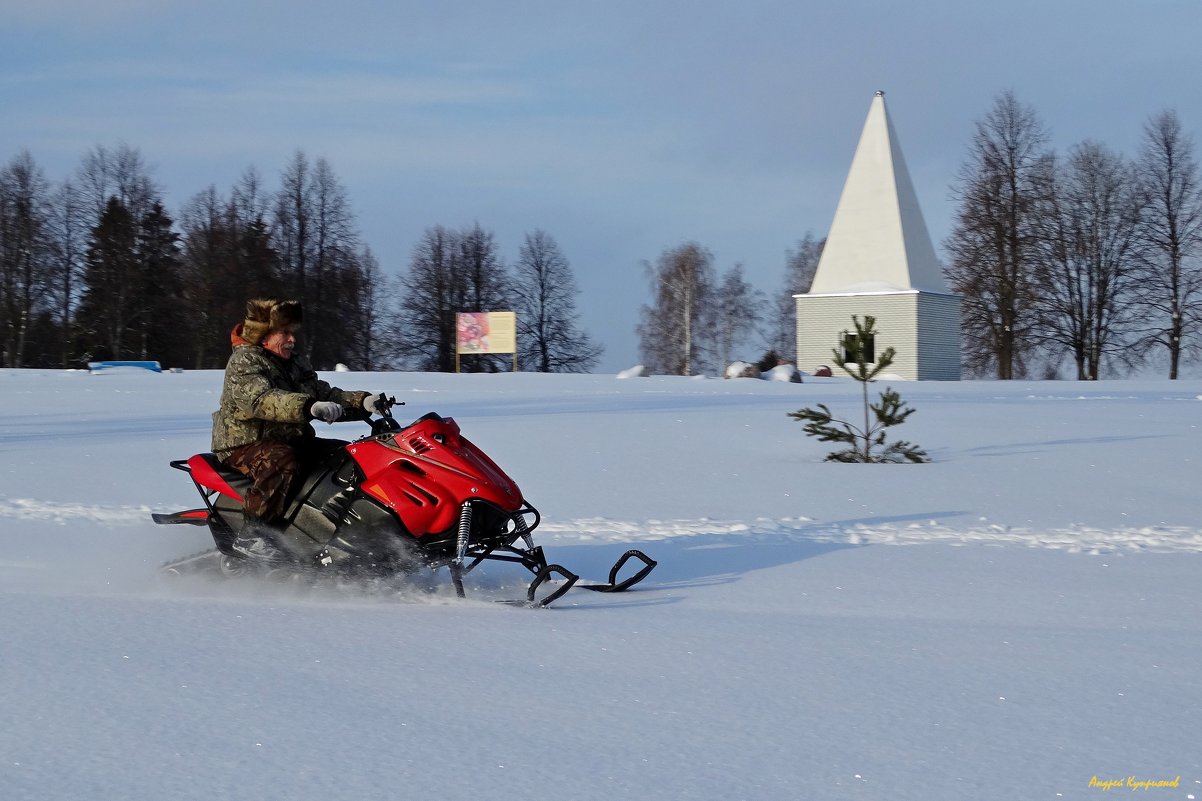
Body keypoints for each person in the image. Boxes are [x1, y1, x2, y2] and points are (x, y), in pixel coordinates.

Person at [211, 298, 386, 559]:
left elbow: (321, 393)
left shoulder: (293, 362)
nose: (292, 339)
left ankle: (332, 527)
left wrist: (362, 402)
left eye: (293, 332)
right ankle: (253, 535)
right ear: (265, 335)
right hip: (244, 445)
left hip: (290, 439)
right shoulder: (245, 362)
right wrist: (308, 407)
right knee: (282, 461)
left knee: (347, 455)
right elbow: (260, 400)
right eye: (286, 332)